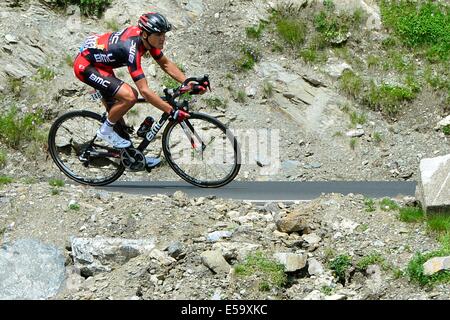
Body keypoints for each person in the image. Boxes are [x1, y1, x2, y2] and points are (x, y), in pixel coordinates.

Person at [73, 12, 204, 168]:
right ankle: (105, 131)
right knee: (130, 96)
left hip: (102, 64)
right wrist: (171, 111)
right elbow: (145, 91)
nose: (163, 38)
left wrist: (189, 83)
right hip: (86, 66)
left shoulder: (147, 40)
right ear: (146, 34)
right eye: (159, 34)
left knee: (119, 108)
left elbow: (166, 64)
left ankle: (131, 155)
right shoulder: (131, 48)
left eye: (164, 34)